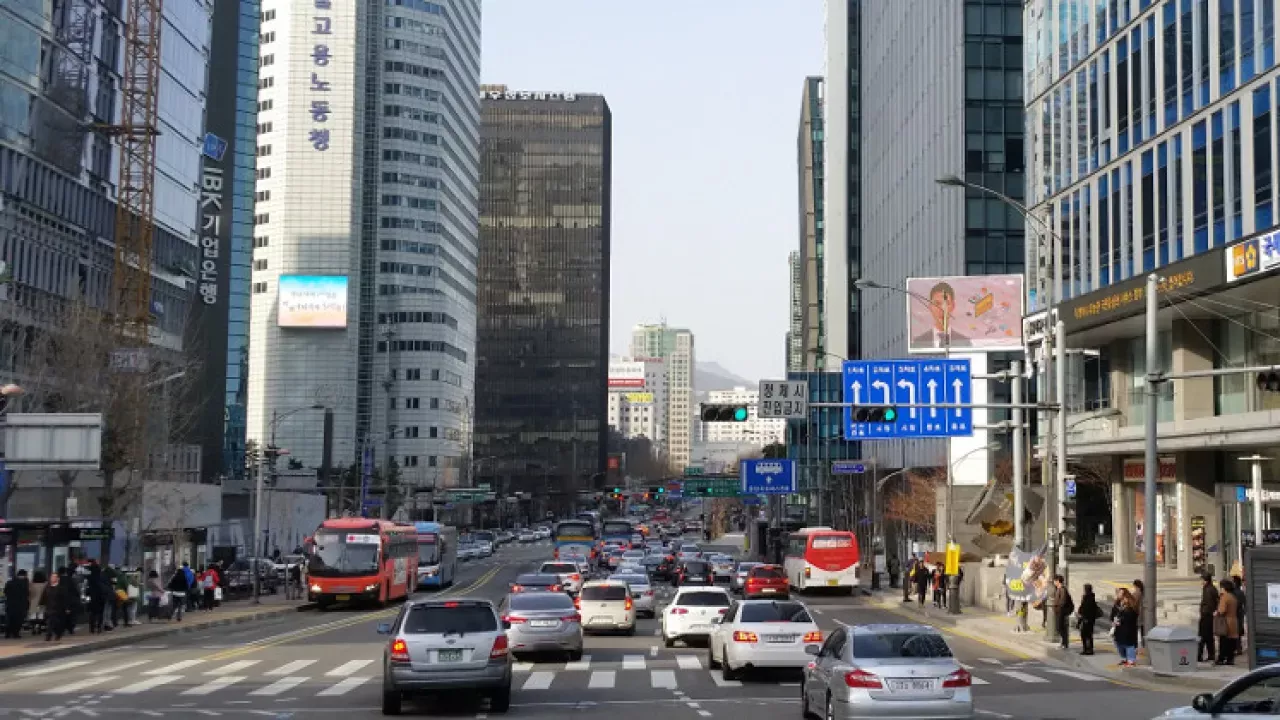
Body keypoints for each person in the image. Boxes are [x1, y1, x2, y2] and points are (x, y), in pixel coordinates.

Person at [912, 281, 972, 349]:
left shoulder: (964, 342)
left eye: (946, 303)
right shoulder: (918, 342)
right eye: (937, 303)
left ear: (953, 306)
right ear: (930, 306)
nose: (942, 309)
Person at [1215, 579, 1240, 665]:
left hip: (1226, 622)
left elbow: (1222, 610)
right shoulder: (1233, 597)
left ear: (1224, 588)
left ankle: (1221, 659)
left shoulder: (1224, 597)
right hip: (1234, 621)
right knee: (1232, 641)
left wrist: (1216, 612)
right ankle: (1230, 659)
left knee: (1224, 641)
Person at [40, 572, 71, 641]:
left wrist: (67, 608)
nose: (53, 578)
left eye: (54, 577)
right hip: (49, 608)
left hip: (58, 608)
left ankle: (58, 633)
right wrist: (41, 605)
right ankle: (48, 635)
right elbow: (43, 597)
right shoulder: (47, 587)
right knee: (50, 622)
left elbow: (65, 599)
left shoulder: (61, 588)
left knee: (57, 623)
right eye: (52, 577)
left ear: (58, 579)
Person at [1113, 590, 1140, 667]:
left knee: (1129, 645)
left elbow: (1129, 618)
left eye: (1124, 598)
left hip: (1128, 630)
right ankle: (1125, 659)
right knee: (1119, 644)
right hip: (1119, 630)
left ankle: (1131, 660)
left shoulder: (1131, 608)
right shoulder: (1118, 605)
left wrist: (1120, 620)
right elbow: (1114, 614)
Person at [1197, 573, 1219, 663]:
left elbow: (1209, 603)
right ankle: (1211, 654)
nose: (1201, 582)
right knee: (1209, 636)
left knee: (1202, 636)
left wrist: (1205, 612)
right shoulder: (1211, 588)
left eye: (1202, 580)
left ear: (1205, 580)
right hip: (1208, 615)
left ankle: (1199, 655)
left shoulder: (1208, 590)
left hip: (1206, 615)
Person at [3, 570, 30, 638]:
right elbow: (26, 594)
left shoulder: (9, 582)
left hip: (10, 604)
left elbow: (5, 592)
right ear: (24, 575)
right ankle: (15, 633)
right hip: (20, 605)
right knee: (18, 620)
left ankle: (7, 633)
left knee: (10, 619)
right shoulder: (24, 583)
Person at [1077, 583, 1101, 655]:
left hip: (1087, 619)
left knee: (1085, 634)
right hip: (1089, 619)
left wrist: (1082, 618)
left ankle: (1087, 649)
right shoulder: (1091, 597)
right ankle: (1089, 649)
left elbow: (1085, 610)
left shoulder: (1088, 598)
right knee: (1088, 634)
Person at [1052, 575, 1074, 650]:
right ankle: (1063, 643)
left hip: (1062, 611)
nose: (1054, 582)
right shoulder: (1059, 589)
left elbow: (1062, 601)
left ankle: (1064, 643)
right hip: (1060, 611)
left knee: (1060, 627)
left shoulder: (1062, 589)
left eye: (1055, 581)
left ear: (1058, 581)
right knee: (1060, 628)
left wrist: (1057, 608)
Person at [85, 561, 106, 634]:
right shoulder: (101, 578)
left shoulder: (89, 579)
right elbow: (104, 587)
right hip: (100, 598)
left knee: (92, 613)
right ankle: (99, 627)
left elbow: (87, 590)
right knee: (100, 613)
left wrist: (87, 598)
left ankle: (92, 628)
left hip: (92, 597)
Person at [1231, 574, 1247, 657]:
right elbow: (1245, 603)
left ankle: (1235, 648)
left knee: (1234, 632)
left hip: (1234, 614)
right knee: (1238, 632)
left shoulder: (1233, 593)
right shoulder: (1241, 592)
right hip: (1240, 614)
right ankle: (1239, 648)